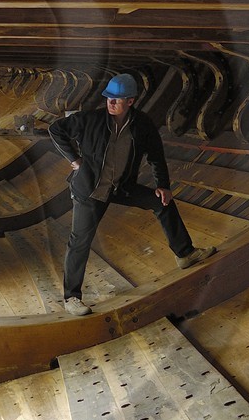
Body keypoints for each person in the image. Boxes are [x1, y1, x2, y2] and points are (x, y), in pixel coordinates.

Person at [48, 73, 214, 315]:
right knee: (79, 241)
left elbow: (156, 156)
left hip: (121, 187)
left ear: (131, 101)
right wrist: (74, 159)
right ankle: (72, 298)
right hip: (90, 190)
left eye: (117, 100)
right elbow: (56, 129)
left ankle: (185, 254)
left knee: (162, 203)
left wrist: (163, 185)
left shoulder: (142, 126)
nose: (110, 104)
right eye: (108, 99)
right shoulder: (90, 119)